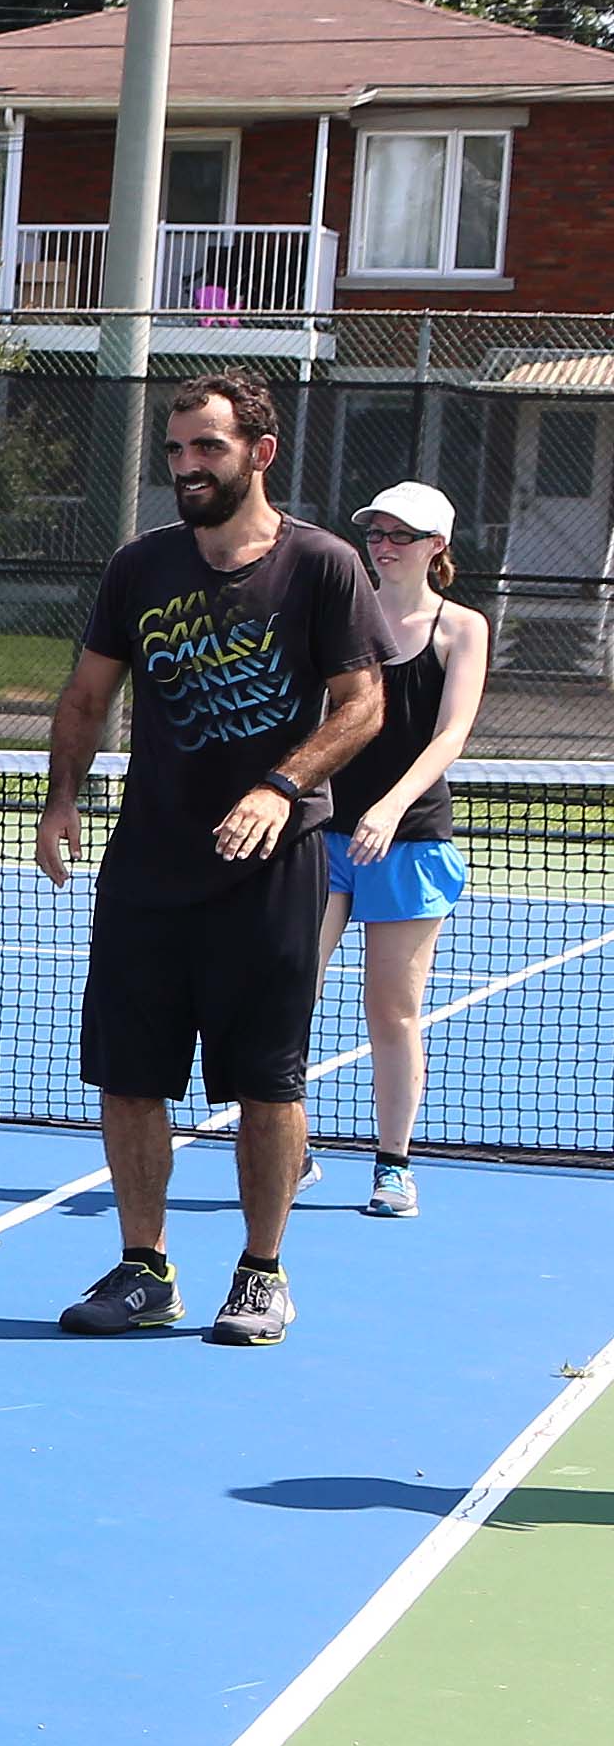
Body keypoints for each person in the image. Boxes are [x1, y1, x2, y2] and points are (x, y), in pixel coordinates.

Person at [38, 373, 382, 1348]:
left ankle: (262, 1273)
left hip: (271, 875)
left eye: (209, 449)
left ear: (260, 453)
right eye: (178, 451)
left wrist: (280, 786)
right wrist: (62, 799)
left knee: (267, 1084)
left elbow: (361, 707)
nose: (187, 467)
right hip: (147, 868)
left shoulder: (322, 567)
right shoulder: (139, 569)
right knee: (130, 1077)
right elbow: (86, 695)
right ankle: (144, 1268)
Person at [320, 481, 486, 1219]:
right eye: (377, 532)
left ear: (437, 547)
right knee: (286, 991)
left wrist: (389, 807)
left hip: (410, 840)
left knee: (391, 1009)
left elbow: (449, 736)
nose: (384, 545)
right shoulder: (337, 614)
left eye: (402, 534)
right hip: (322, 833)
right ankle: (285, 1146)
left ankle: (393, 1165)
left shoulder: (462, 629)